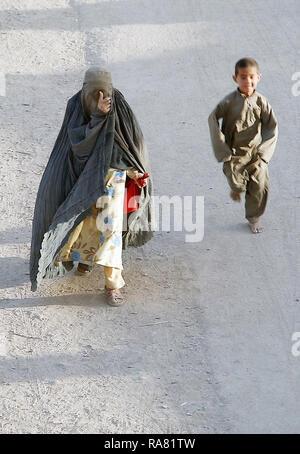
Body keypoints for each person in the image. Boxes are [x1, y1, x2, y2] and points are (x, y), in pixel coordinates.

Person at [30, 67, 154, 306]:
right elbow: (78, 147)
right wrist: (97, 117)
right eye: (93, 94)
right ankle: (85, 261)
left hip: (112, 180)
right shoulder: (76, 106)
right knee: (81, 224)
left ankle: (113, 284)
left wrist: (134, 172)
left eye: (104, 93)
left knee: (110, 231)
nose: (100, 99)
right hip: (80, 179)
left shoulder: (120, 107)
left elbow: (129, 144)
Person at [208, 58, 278, 233]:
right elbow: (213, 118)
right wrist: (222, 148)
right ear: (235, 79)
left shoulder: (261, 102)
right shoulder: (229, 102)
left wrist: (264, 153)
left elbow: (271, 126)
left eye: (252, 77)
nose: (248, 81)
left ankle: (254, 218)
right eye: (243, 77)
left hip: (255, 152)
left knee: (260, 185)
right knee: (236, 180)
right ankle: (236, 188)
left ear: (258, 78)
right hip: (234, 153)